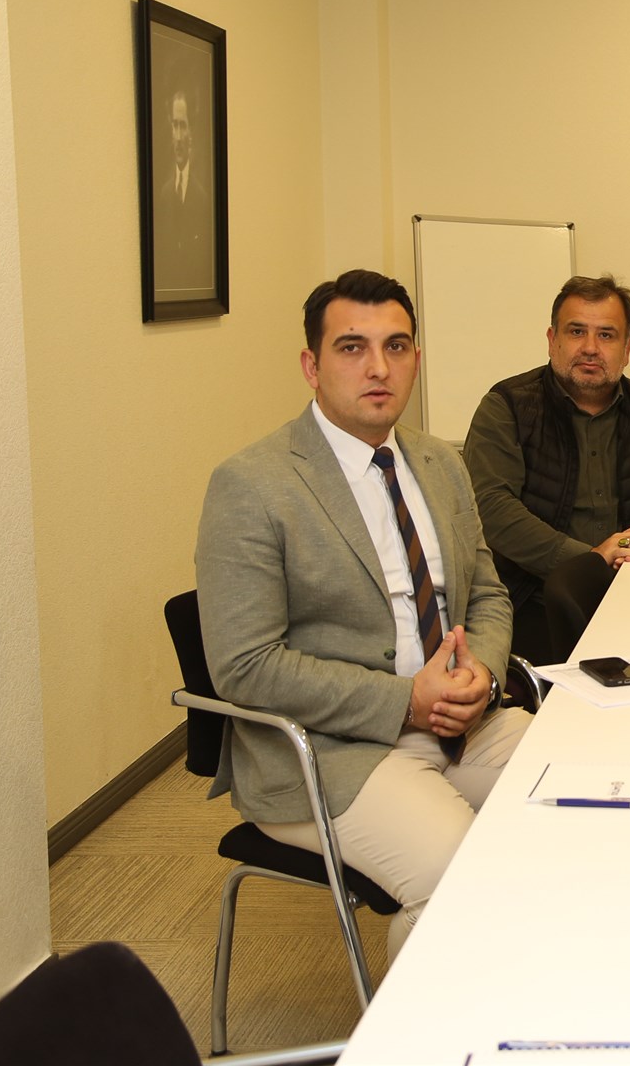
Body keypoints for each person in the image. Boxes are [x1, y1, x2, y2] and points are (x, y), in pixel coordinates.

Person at [195, 269, 531, 961]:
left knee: (587, 800)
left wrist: (484, 677)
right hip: (332, 750)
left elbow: (488, 595)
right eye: (352, 347)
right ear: (311, 366)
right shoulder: (252, 485)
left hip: (466, 723)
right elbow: (245, 666)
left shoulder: (441, 463)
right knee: (456, 881)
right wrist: (405, 701)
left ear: (415, 359)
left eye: (396, 346)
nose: (378, 367)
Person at [465, 274, 630, 665]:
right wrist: (591, 559)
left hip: (629, 595)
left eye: (607, 335)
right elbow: (491, 507)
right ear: (552, 340)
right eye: (577, 331)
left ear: (627, 349)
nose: (591, 348)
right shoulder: (506, 407)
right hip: (530, 602)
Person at [153, 87, 212, 294]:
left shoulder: (202, 197)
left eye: (183, 126)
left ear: (191, 133)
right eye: (175, 125)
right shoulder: (164, 193)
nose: (178, 137)